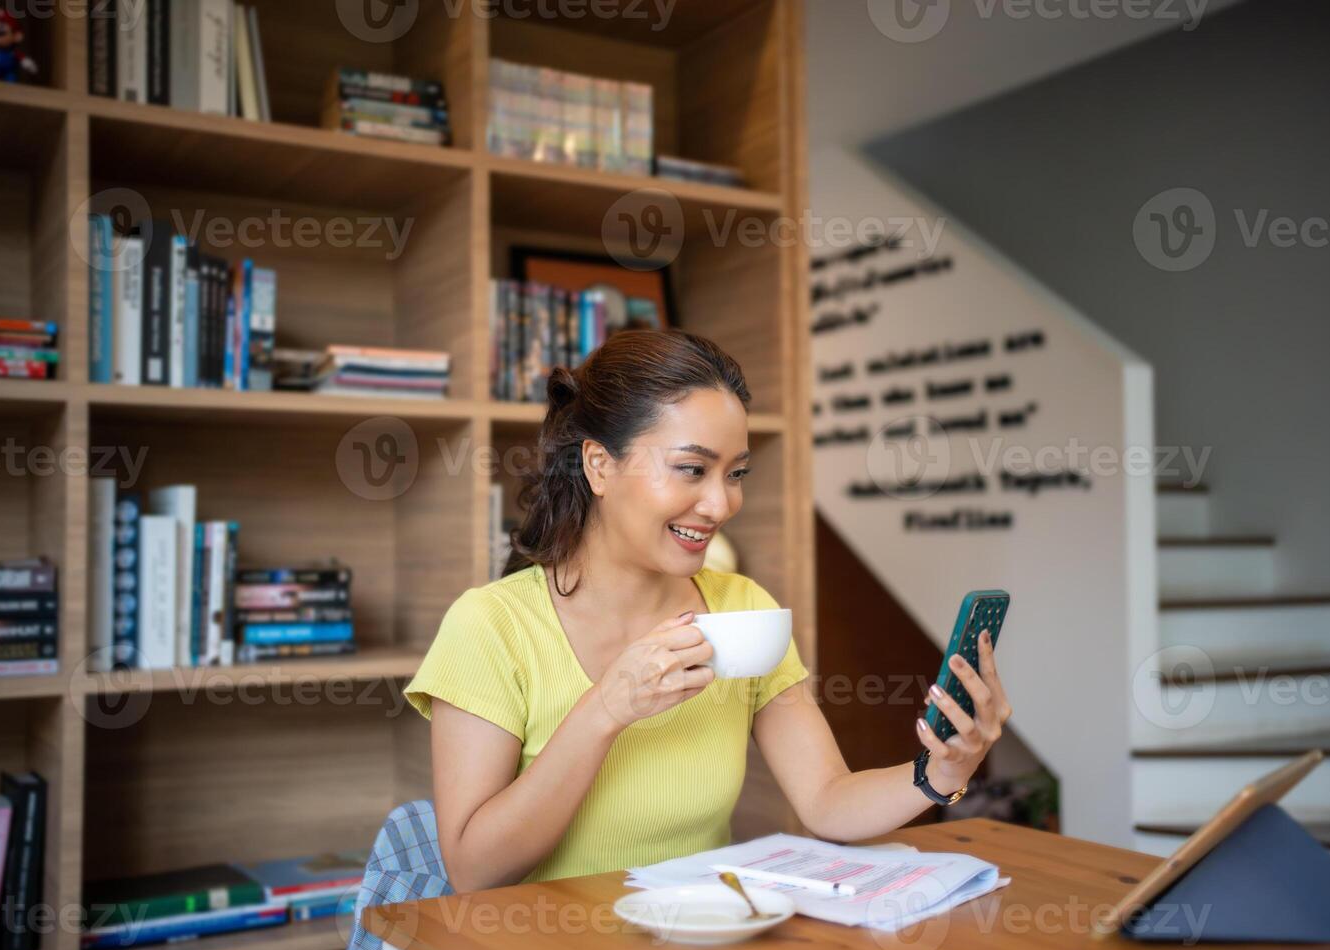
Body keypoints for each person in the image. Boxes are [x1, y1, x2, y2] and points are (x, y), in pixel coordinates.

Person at [404, 330, 1013, 891]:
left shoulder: (744, 611)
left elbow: (828, 800)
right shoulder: (490, 625)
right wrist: (607, 709)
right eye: (691, 469)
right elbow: (473, 870)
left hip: (700, 946)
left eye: (736, 473)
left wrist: (939, 770)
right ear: (599, 465)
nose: (720, 503)